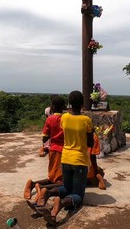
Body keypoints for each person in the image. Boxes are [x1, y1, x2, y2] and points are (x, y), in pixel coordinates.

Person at [38, 90, 94, 225]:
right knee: (78, 195)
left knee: (66, 187)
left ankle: (48, 192)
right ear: (82, 104)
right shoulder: (86, 120)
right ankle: (62, 203)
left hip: (66, 157)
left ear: (69, 104)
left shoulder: (64, 118)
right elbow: (90, 142)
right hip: (79, 160)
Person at [24, 96, 66, 201]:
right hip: (64, 151)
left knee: (52, 177)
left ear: (52, 106)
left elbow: (45, 137)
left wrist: (46, 147)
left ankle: (33, 184)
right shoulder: (66, 119)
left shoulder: (49, 119)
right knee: (61, 181)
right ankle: (41, 188)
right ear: (64, 107)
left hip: (53, 150)